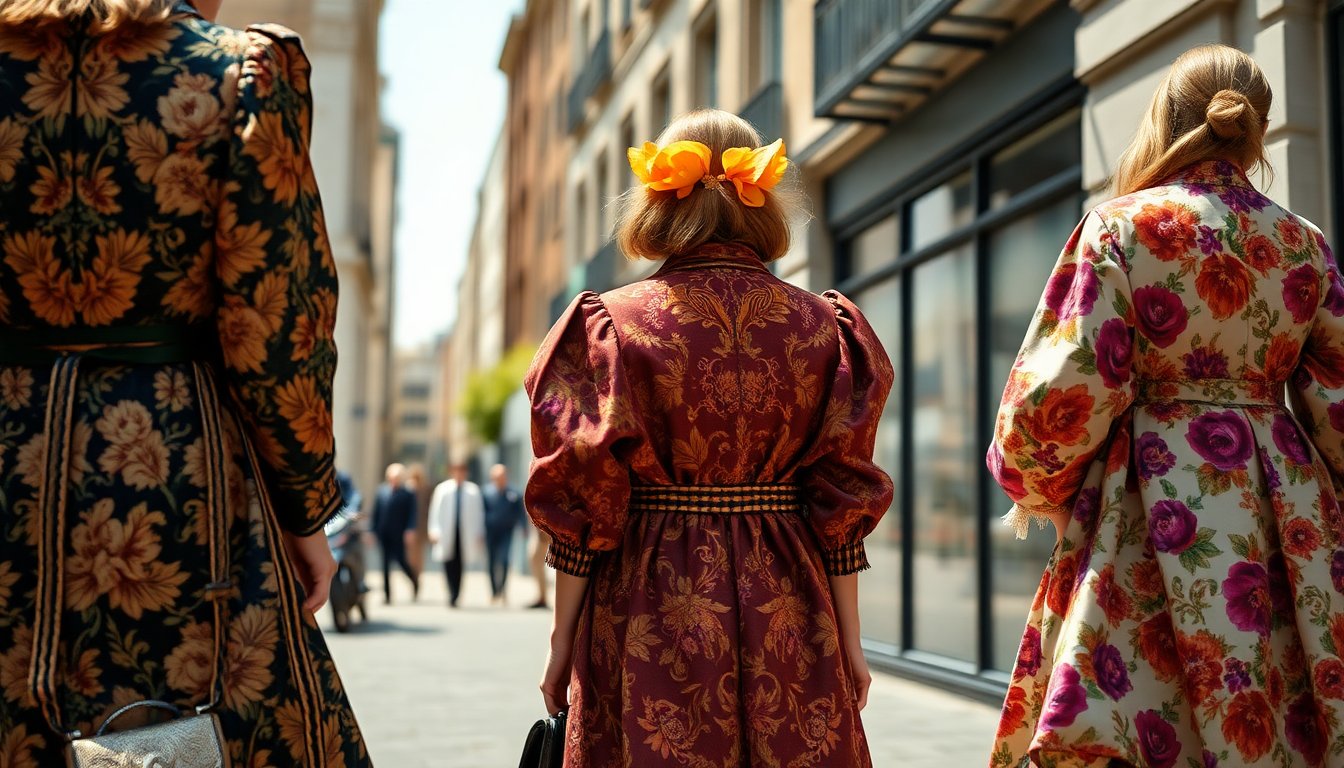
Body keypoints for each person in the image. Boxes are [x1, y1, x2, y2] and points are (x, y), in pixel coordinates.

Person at [0, 0, 369, 764]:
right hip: (171, 471)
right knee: (179, 721)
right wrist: (306, 514)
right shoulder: (239, 71)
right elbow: (277, 319)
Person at [988, 44, 1344, 767]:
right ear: (1258, 127)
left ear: (1165, 120)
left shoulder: (1121, 226)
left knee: (1138, 723)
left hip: (1147, 501)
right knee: (1276, 718)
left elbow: (1066, 387)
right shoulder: (1302, 243)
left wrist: (1040, 490)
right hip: (1286, 519)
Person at [526, 109, 893, 765]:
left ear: (659, 194)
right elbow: (840, 501)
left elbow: (586, 500)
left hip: (646, 598)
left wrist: (560, 642)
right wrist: (851, 640)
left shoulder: (608, 325)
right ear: (761, 193)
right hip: (792, 598)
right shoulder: (825, 328)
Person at [427, 462, 485, 607]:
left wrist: (479, 532)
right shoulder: (442, 489)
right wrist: (433, 530)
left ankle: (456, 593)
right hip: (446, 532)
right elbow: (435, 511)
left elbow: (479, 514)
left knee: (460, 563)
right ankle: (451, 591)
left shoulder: (473, 490)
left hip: (465, 533)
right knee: (448, 562)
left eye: (462, 471)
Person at [370, 462, 419, 603]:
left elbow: (412, 514)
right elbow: (376, 513)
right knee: (384, 565)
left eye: (397, 477)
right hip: (384, 534)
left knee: (401, 562)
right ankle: (387, 595)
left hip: (399, 534)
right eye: (392, 476)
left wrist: (410, 530)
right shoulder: (382, 491)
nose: (394, 479)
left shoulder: (408, 493)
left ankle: (414, 580)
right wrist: (372, 531)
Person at [482, 464, 525, 605]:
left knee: (505, 560)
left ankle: (503, 589)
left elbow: (520, 513)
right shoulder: (486, 493)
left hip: (507, 532)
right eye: (497, 477)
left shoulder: (514, 493)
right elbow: (480, 513)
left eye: (502, 476)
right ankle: (494, 591)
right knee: (491, 561)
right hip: (490, 532)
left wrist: (523, 527)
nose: (500, 479)